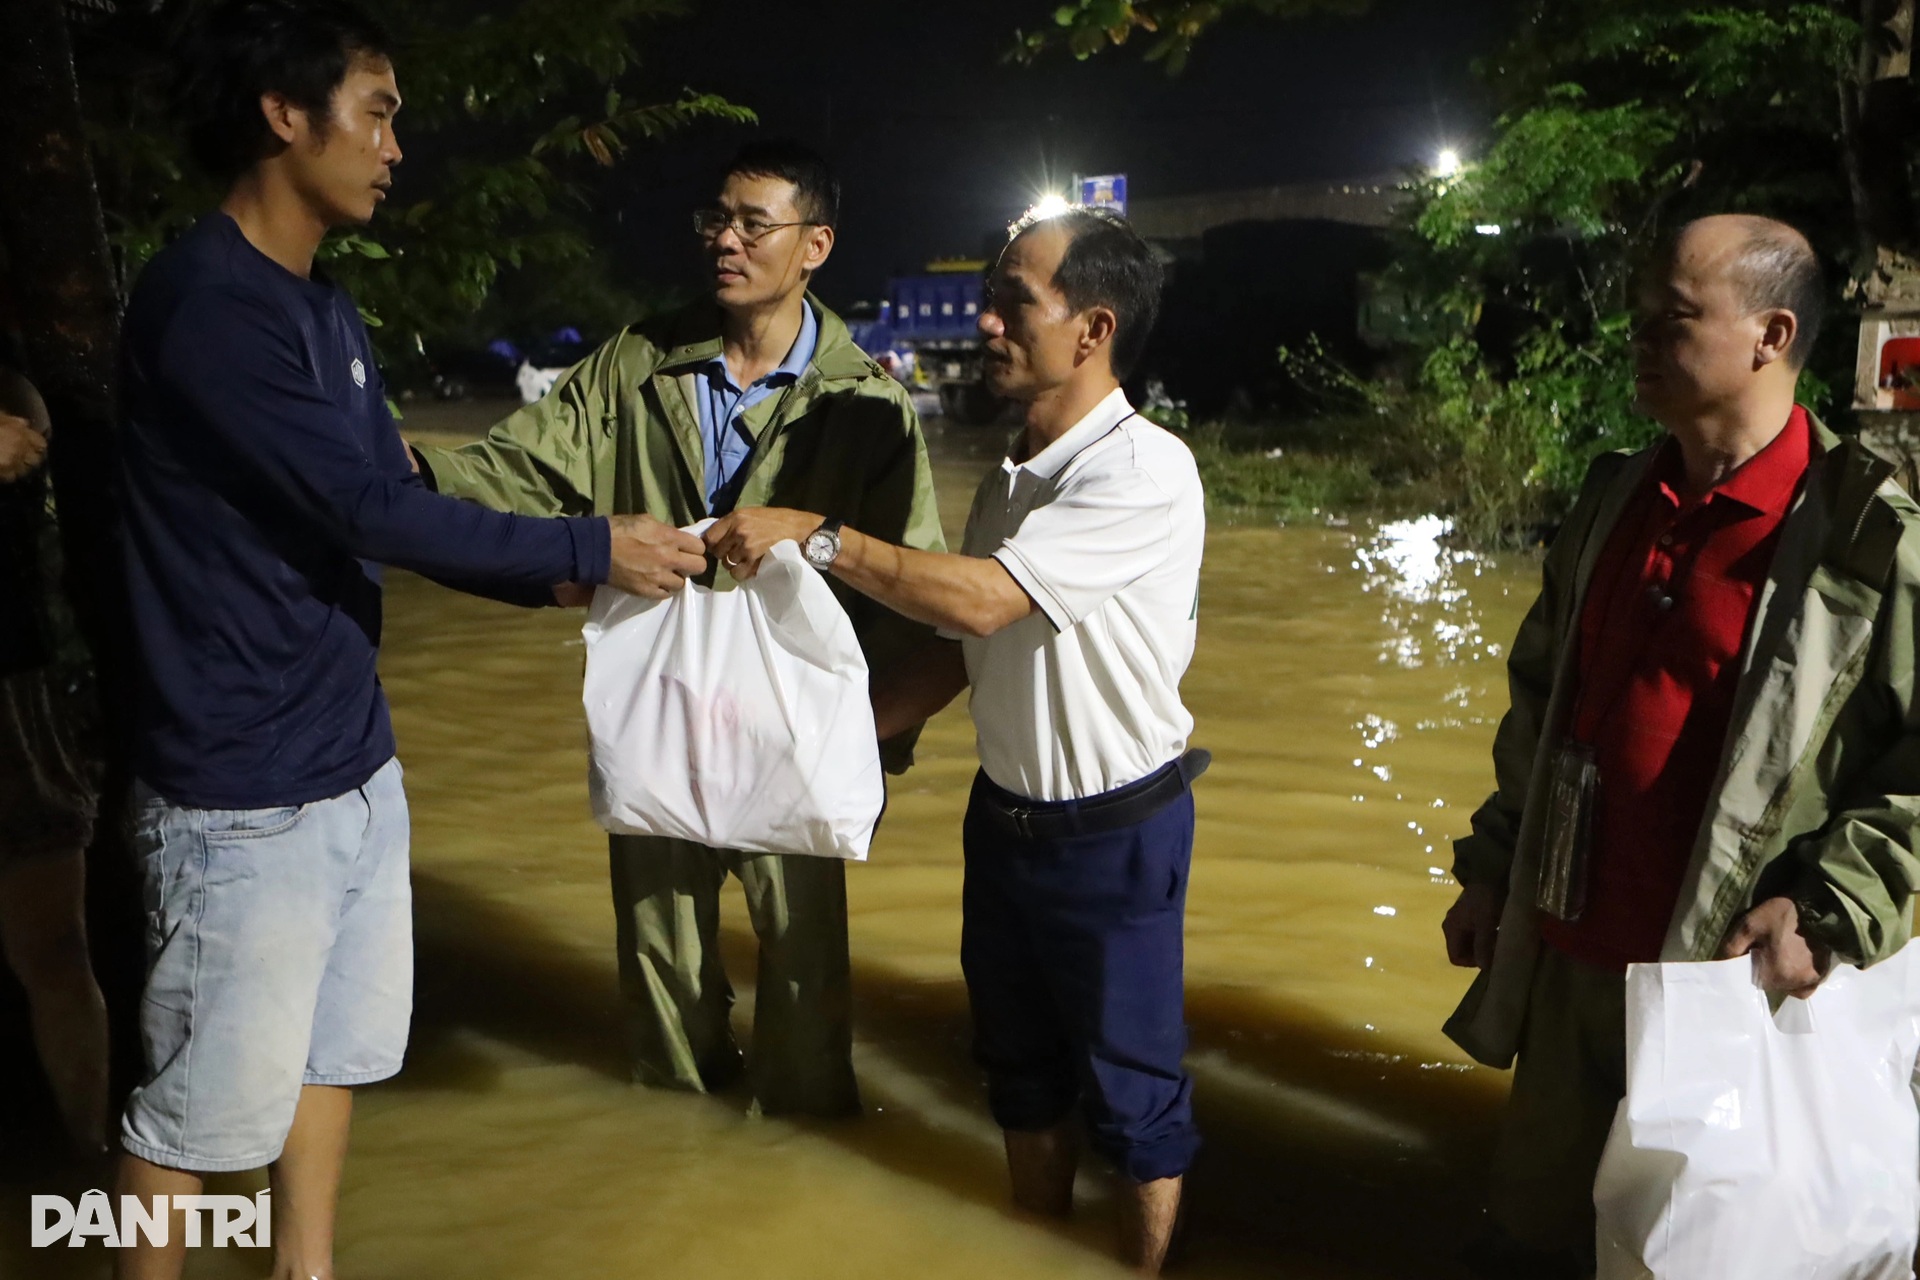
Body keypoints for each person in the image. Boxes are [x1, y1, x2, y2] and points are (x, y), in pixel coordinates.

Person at [112, 4, 705, 1277]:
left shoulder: (323, 310)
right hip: (240, 792)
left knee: (329, 1059)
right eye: (376, 115)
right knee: (189, 1119)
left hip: (353, 764)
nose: (394, 148)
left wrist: (560, 581)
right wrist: (589, 542)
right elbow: (364, 508)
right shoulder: (208, 305)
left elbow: (395, 500)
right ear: (285, 113)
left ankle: (306, 1265)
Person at [705, 205, 1204, 1275]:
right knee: (1018, 1072)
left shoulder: (1141, 470)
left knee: (1134, 1094)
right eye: (990, 297)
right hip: (1006, 822)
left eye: (1015, 301)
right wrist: (802, 753)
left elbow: (981, 600)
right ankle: (1037, 1248)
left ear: (1094, 329)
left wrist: (819, 536)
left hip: (1113, 833)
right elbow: (956, 657)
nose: (986, 321)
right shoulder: (1014, 477)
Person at [413, 140, 944, 1119]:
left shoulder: (865, 402)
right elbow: (524, 465)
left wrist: (875, 744)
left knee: (806, 984)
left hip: (793, 727)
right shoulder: (637, 363)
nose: (724, 240)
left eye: (753, 223)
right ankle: (679, 1148)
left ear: (815, 244)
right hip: (659, 708)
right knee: (661, 970)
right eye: (716, 219)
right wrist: (408, 475)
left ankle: (800, 1154)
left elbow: (908, 583)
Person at [1440, 214, 1920, 1277]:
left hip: (1727, 982)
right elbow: (1543, 702)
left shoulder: (1868, 538)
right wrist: (1493, 863)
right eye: (1641, 316)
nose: (1642, 340)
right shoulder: (1617, 496)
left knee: (1689, 1250)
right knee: (1531, 1235)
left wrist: (1832, 908)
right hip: (1571, 959)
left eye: (1676, 318)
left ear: (1771, 334)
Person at [0, 354, 109, 1160]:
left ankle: (90, 1161)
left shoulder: (12, 387)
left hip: (16, 690)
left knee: (58, 949)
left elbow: (27, 420)